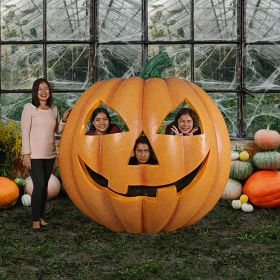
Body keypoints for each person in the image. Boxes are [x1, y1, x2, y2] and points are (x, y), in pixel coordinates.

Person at [21, 78, 71, 231]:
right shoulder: (29, 108)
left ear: (50, 91)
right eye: (39, 89)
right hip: (34, 155)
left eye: (46, 89)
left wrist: (63, 119)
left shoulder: (53, 109)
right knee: (40, 186)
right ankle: (35, 221)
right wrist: (26, 154)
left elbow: (57, 130)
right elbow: (24, 132)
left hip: (50, 155)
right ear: (35, 92)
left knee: (43, 188)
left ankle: (41, 217)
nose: (43, 92)